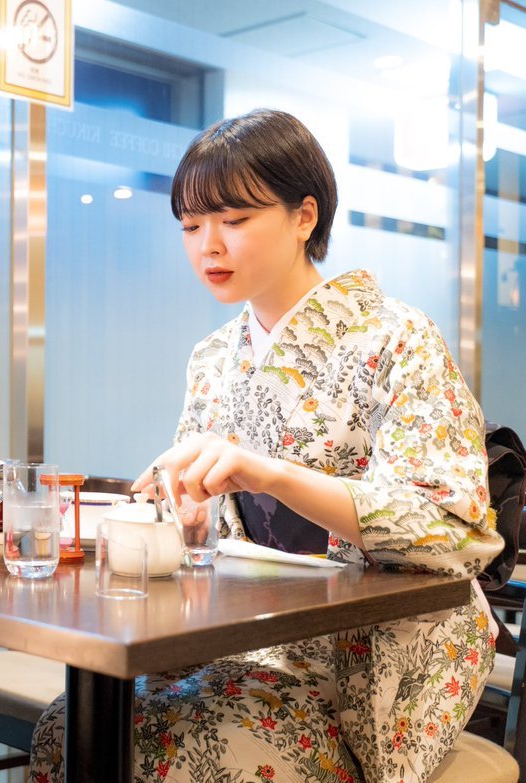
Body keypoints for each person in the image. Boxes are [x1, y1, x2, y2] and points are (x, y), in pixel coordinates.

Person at [29, 109, 504, 782]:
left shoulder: (399, 338)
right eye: (191, 227)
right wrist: (188, 518)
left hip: (380, 663)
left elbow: (452, 531)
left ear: (304, 216)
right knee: (67, 729)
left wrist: (273, 473)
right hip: (249, 646)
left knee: (165, 753)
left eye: (235, 220)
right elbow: (212, 531)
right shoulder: (214, 357)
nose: (207, 246)